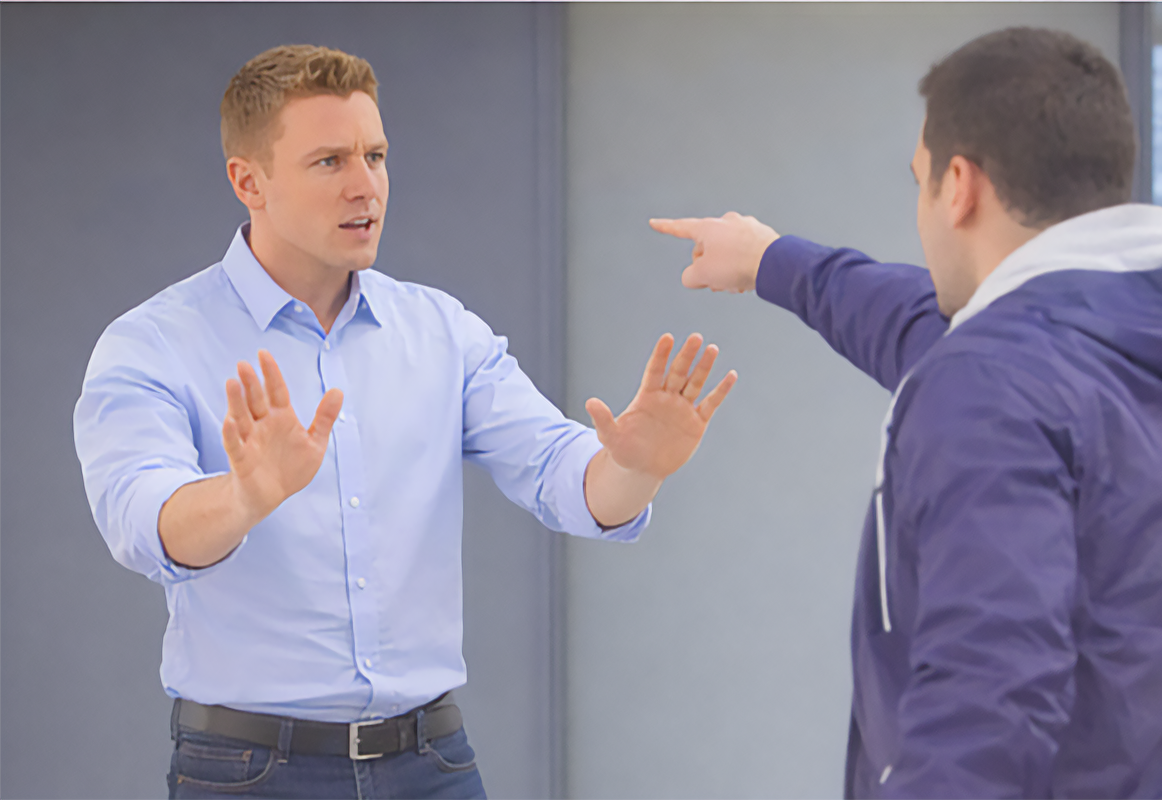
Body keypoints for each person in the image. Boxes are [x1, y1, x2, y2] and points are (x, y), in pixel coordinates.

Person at [73, 44, 736, 800]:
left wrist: (636, 467)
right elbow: (140, 521)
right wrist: (244, 496)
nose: (366, 185)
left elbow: (564, 478)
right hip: (250, 774)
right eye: (329, 161)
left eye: (376, 155)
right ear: (248, 181)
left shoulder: (441, 332)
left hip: (431, 765)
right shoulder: (154, 342)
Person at [652, 27, 1162, 800]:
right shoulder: (1131, 333)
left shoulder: (992, 383)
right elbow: (932, 322)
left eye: (919, 182)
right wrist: (771, 258)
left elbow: (988, 703)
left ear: (959, 186)